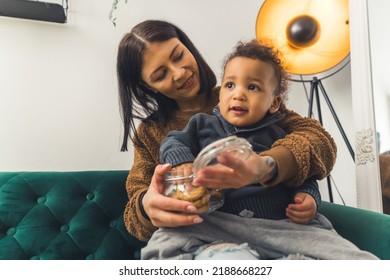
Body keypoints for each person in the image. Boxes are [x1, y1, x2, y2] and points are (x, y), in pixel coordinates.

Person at [140, 39, 378, 260]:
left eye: (252, 87)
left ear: (274, 103)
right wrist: (182, 164)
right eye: (230, 85)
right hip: (220, 224)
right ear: (221, 93)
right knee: (169, 242)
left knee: (352, 258)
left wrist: (308, 198)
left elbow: (306, 168)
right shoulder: (201, 124)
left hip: (279, 226)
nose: (239, 94)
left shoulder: (281, 131)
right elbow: (172, 142)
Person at [116, 19, 337, 244]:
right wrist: (147, 207)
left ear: (187, 47)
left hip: (274, 229)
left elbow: (320, 142)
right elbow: (134, 214)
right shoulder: (150, 134)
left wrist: (266, 166)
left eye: (178, 56)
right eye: (161, 74)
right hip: (208, 239)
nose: (179, 73)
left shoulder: (244, 99)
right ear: (148, 86)